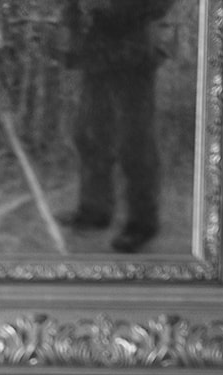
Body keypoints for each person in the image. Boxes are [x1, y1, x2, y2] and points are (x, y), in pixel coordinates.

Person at [59, 0, 177, 253]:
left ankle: (142, 223)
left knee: (135, 140)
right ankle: (95, 210)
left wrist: (109, 6)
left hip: (135, 46)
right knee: (90, 132)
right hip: (97, 47)